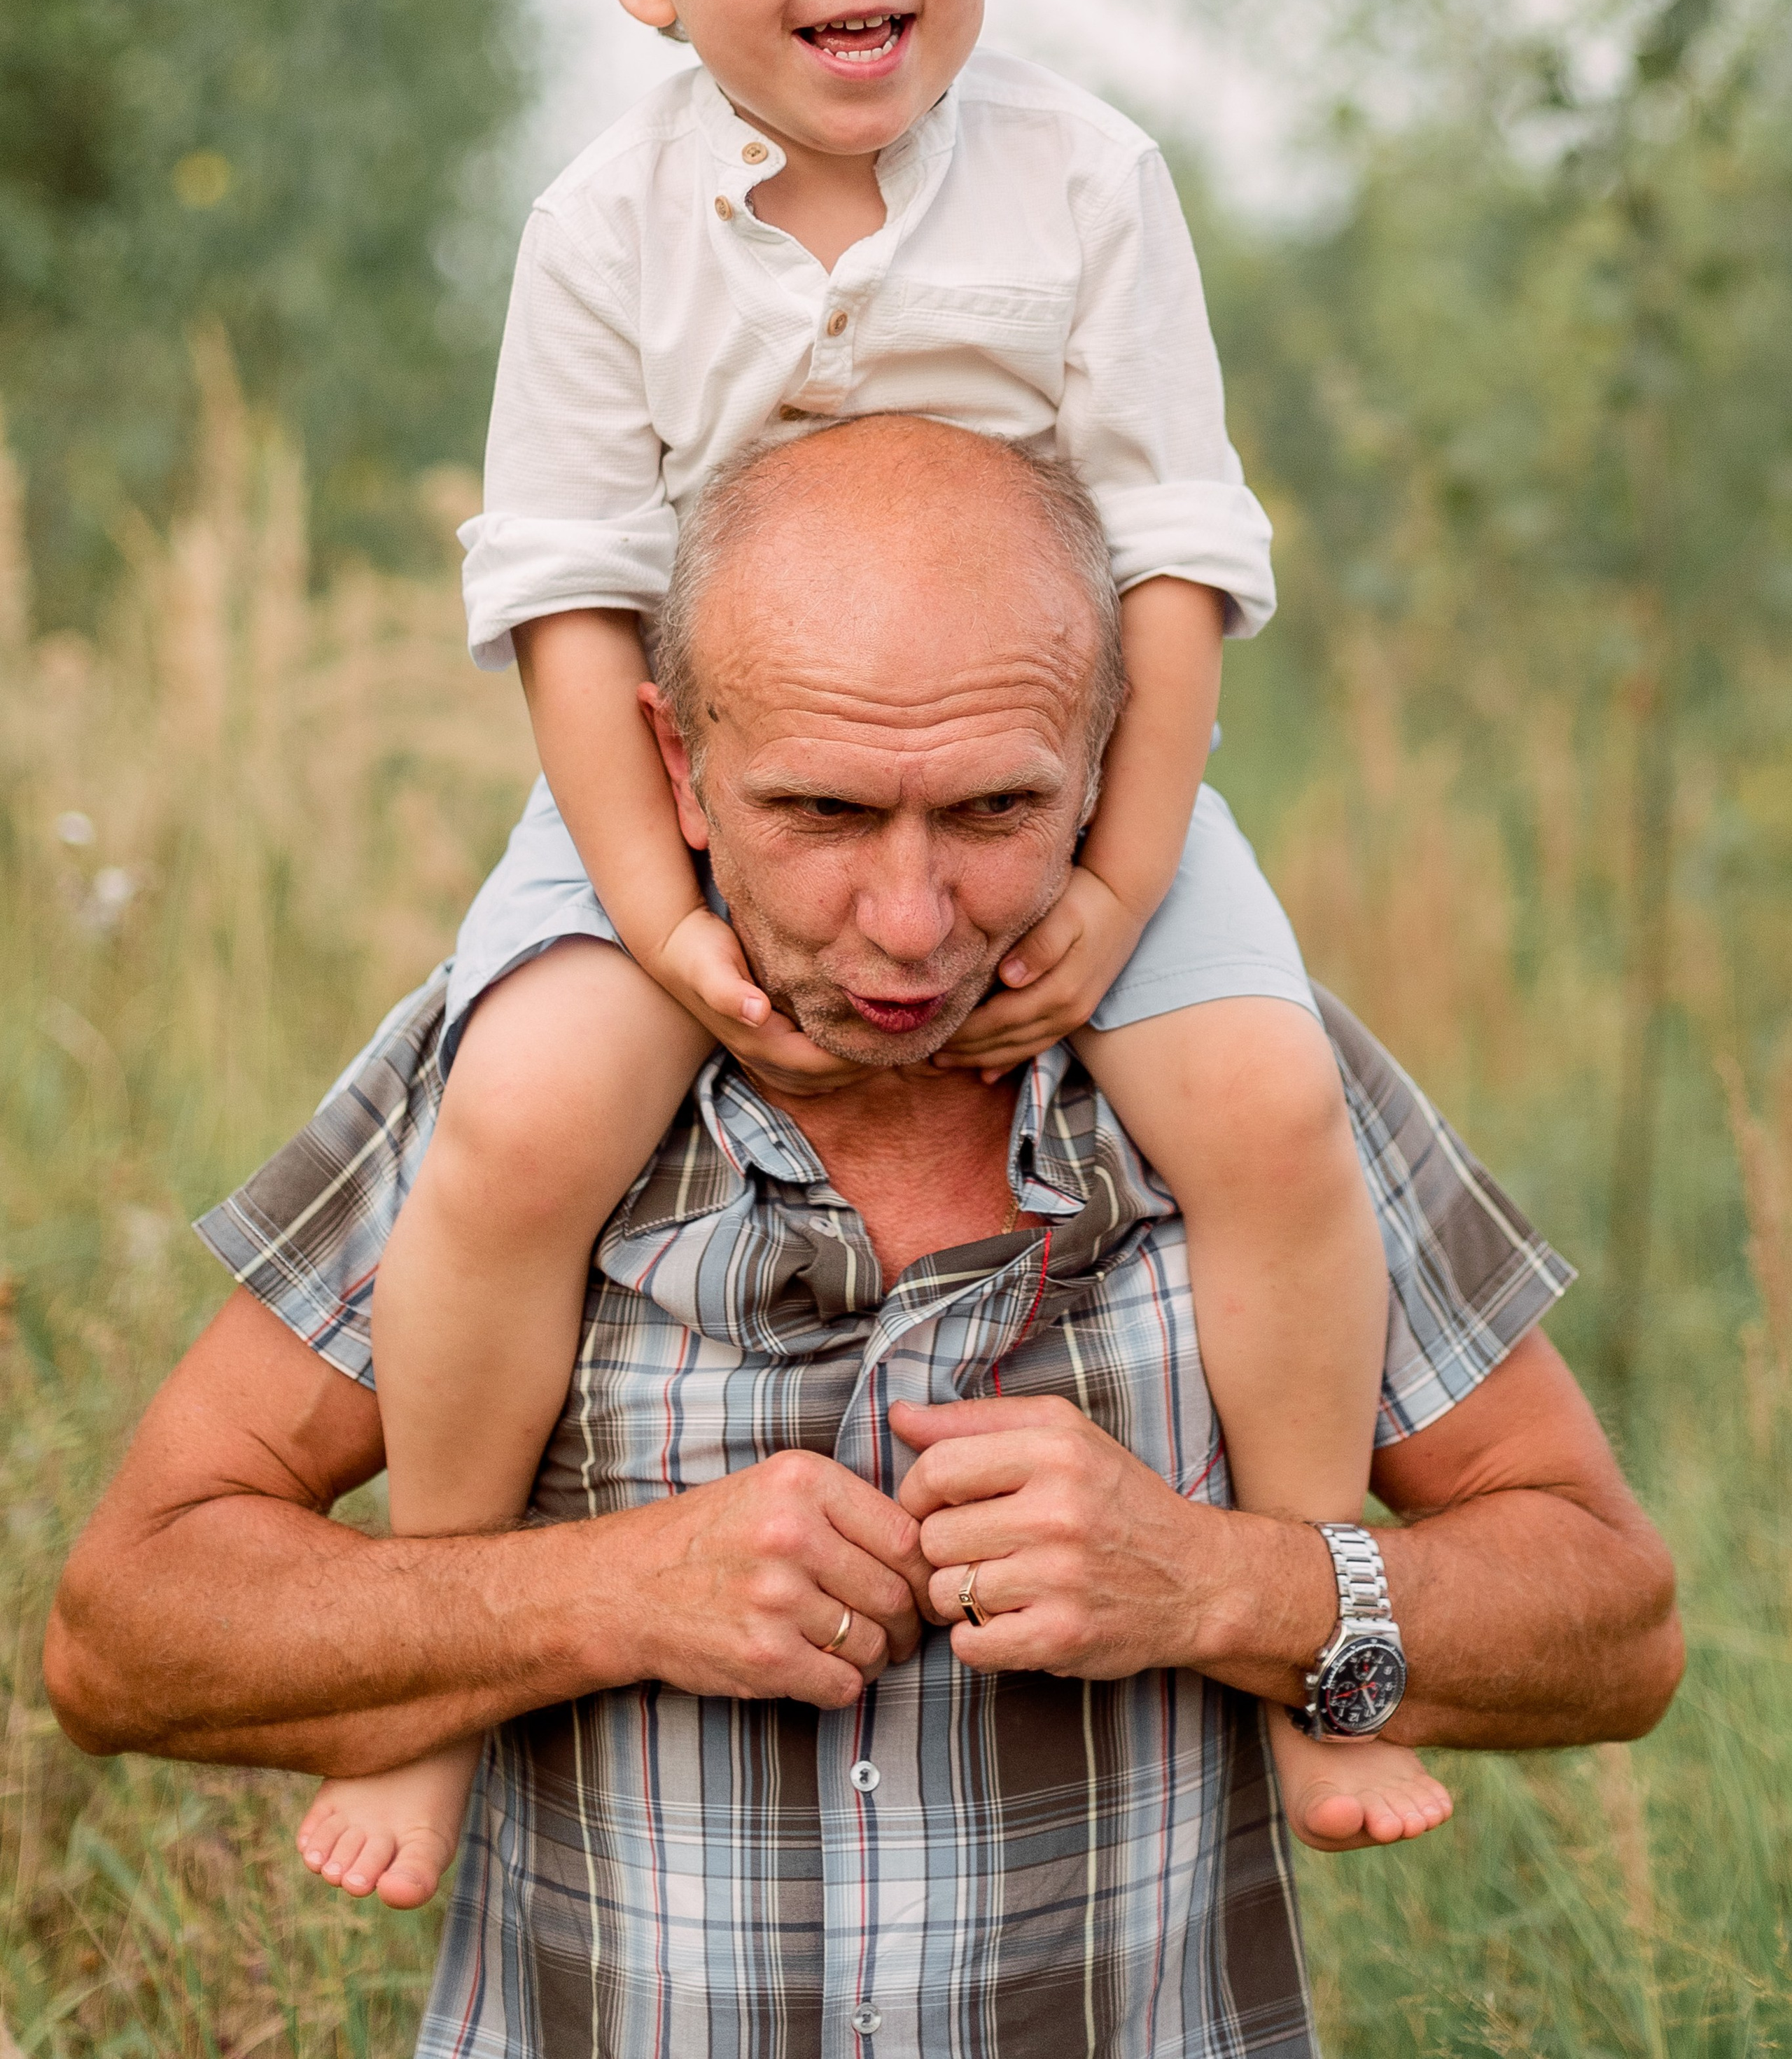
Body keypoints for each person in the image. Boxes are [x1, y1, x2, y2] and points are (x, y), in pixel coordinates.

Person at [47, 421, 1682, 2059]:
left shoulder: (1246, 1079)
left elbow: (1611, 1627)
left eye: (990, 811)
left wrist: (1211, 1585)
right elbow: (127, 1637)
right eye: (820, 812)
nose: (908, 923)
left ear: (1107, 760)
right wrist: (610, 1597)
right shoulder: (515, 1081)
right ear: (673, 764)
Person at [321, 0, 1406, 1894]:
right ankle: (419, 1663)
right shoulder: (602, 230)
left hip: (1058, 780)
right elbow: (565, 583)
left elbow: (1183, 552)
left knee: (1275, 1112)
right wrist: (650, 905)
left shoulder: (1088, 181)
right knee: (512, 1132)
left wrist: (1118, 881)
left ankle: (1309, 1624)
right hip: (674, 779)